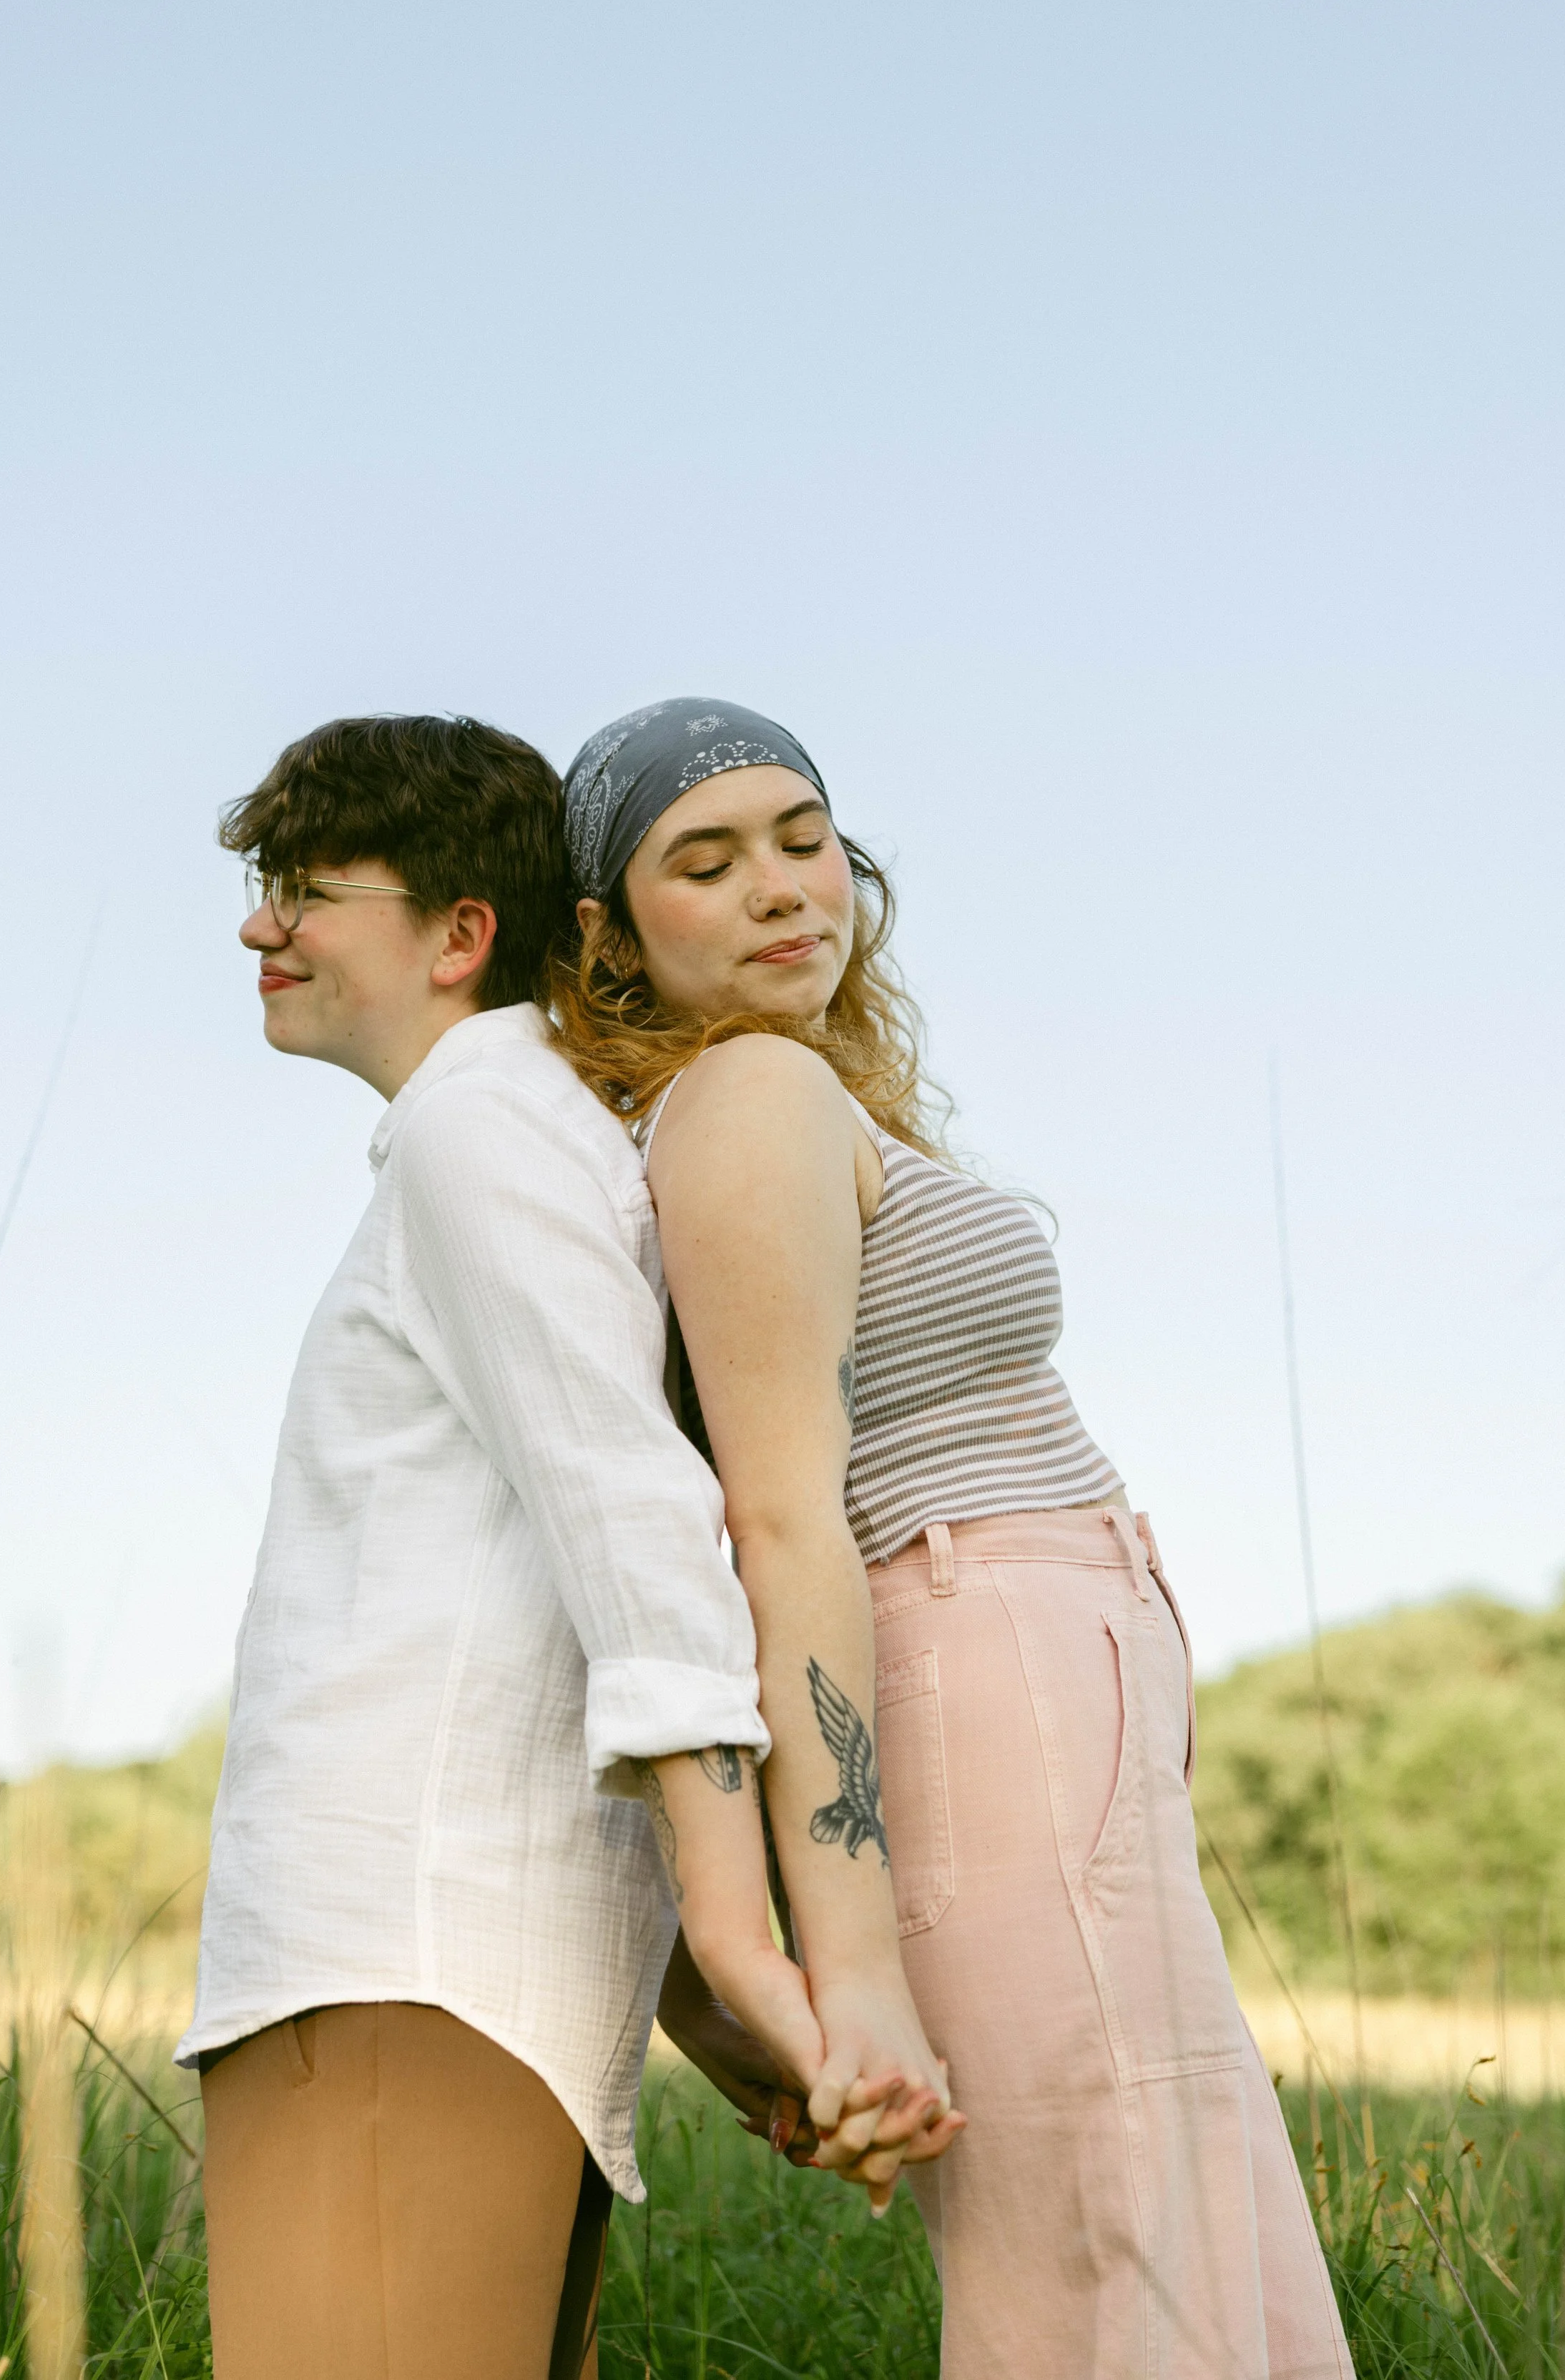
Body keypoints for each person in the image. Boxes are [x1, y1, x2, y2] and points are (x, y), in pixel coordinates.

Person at [552, 697, 1356, 2380]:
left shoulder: (783, 1098)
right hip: (978, 1662)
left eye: (803, 837)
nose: (781, 886)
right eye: (703, 862)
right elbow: (775, 1519)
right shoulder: (751, 1096)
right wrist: (844, 1962)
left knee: (1169, 2200)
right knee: (1104, 2230)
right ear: (608, 938)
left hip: (1035, 1672)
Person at [179, 712, 913, 2380]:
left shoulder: (478, 1123)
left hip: (390, 1948)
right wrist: (711, 2008)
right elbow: (566, 1594)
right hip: (479, 1966)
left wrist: (737, 1944)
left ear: (457, 935)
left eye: (304, 887)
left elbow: (638, 1521)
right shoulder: (529, 1132)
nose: (258, 925)